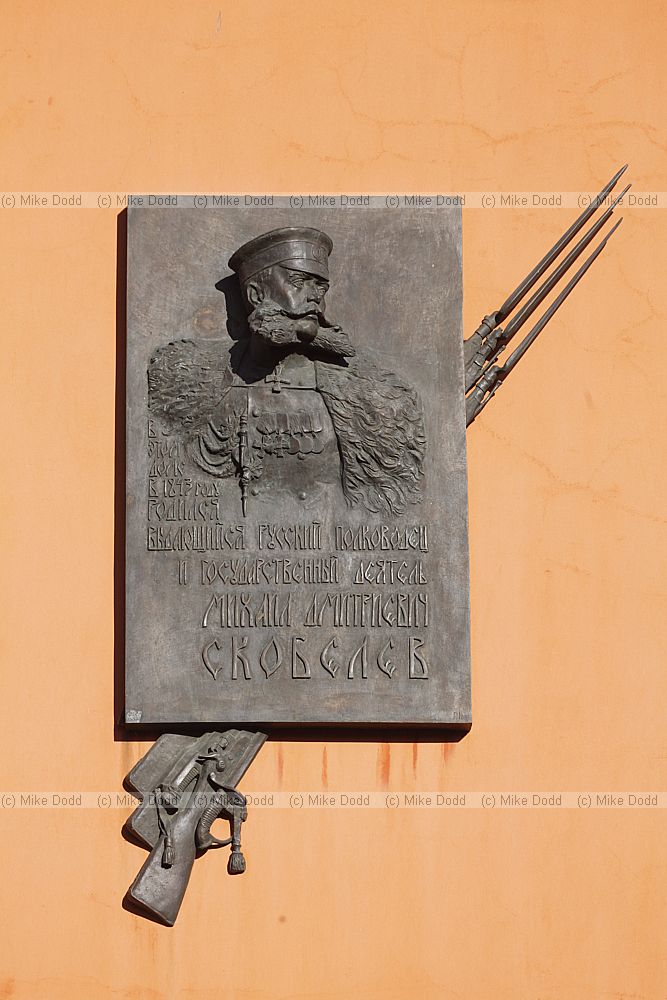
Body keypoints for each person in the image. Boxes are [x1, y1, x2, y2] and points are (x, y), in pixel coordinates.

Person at [148, 226, 426, 516]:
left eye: (320, 288)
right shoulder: (192, 381)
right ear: (256, 296)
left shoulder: (365, 399)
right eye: (298, 282)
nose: (314, 298)